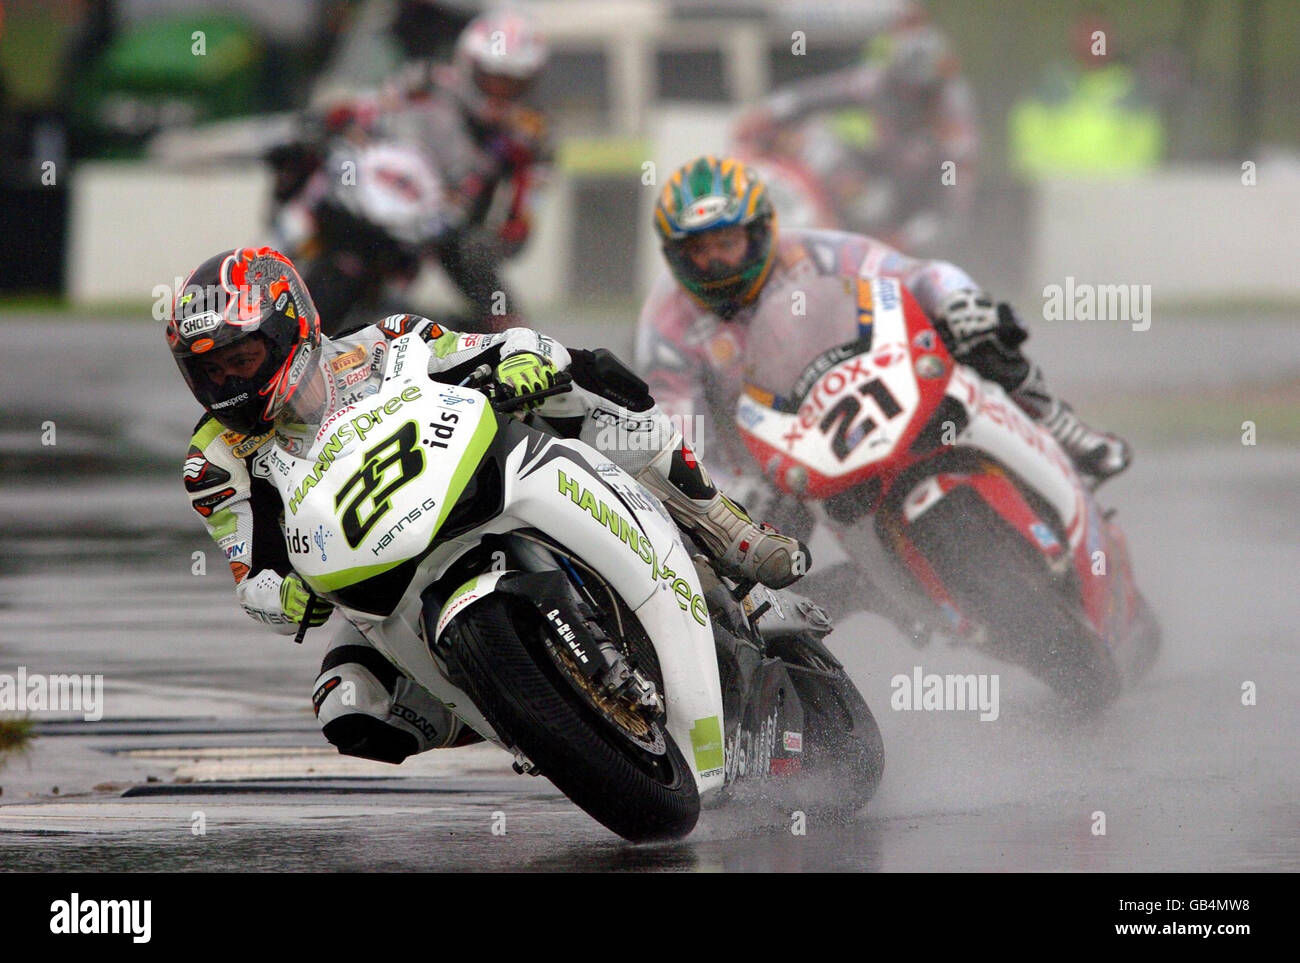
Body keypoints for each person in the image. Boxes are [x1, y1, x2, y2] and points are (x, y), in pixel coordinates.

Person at [168, 246, 806, 765]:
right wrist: (282, 598)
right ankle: (526, 717)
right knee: (347, 706)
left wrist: (527, 357)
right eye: (209, 375)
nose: (229, 385)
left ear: (290, 327)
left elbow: (479, 349)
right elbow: (248, 570)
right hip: (372, 577)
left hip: (468, 482)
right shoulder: (213, 461)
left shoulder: (385, 341)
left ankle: (723, 526)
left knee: (583, 392)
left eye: (241, 360)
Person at [634, 155, 1131, 617]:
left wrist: (959, 301)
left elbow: (918, 275)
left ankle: (1065, 429)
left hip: (875, 383)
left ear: (760, 232)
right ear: (676, 256)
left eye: (727, 243)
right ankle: (814, 639)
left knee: (980, 333)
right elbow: (675, 427)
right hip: (775, 461)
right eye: (698, 251)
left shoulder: (813, 250)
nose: (716, 262)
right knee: (731, 566)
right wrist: (723, 486)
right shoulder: (668, 322)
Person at [267, 9, 552, 335]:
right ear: (468, 63)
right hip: (370, 185)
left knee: (471, 251)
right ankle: (272, 260)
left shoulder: (530, 135)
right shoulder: (425, 80)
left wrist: (498, 238)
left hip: (442, 221)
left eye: (513, 83)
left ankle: (504, 332)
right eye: (493, 77)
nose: (499, 91)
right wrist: (327, 124)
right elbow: (364, 108)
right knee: (295, 159)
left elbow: (523, 214)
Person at [731, 2, 977, 251]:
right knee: (817, 140)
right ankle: (807, 228)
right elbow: (809, 96)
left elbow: (950, 216)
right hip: (873, 175)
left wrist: (903, 240)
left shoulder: (956, 134)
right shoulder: (880, 83)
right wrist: (767, 113)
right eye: (900, 87)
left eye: (917, 94)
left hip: (908, 210)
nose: (905, 99)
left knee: (876, 201)